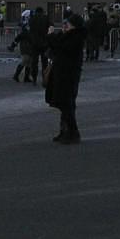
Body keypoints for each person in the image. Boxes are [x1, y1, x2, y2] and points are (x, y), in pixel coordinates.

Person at [44, 12, 88, 144]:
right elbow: (54, 48)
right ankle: (65, 131)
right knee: (64, 105)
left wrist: (51, 36)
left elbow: (62, 47)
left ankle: (72, 133)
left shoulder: (76, 37)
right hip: (62, 73)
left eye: (67, 24)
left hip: (68, 75)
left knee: (67, 105)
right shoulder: (68, 36)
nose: (64, 26)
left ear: (74, 26)